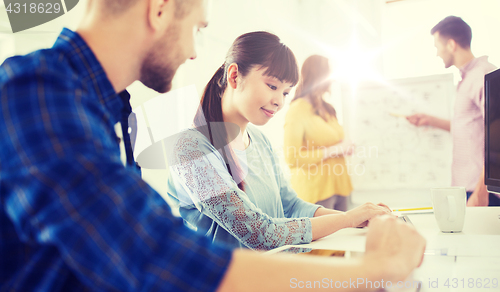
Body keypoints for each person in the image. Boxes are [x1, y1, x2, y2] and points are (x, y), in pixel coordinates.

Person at [0, 0, 425, 291]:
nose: (191, 52)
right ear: (161, 8)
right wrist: (370, 271)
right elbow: (152, 254)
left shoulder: (107, 107)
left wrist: (356, 225)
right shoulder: (36, 93)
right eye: (198, 29)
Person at [166, 32, 393, 250]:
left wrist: (359, 218)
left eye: (285, 93)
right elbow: (259, 234)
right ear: (234, 76)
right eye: (272, 86)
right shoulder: (191, 147)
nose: (278, 102)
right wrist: (348, 219)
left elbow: (292, 206)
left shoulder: (259, 140)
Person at [406, 16, 500, 206]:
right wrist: (430, 120)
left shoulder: (483, 74)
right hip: (468, 187)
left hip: (481, 191)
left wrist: (482, 191)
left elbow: (497, 136)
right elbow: (471, 128)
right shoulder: (468, 78)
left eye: (437, 46)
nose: (437, 53)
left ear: (450, 44)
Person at [284, 55, 353, 211]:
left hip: (340, 187)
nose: (333, 81)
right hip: (317, 193)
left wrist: (344, 147)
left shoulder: (327, 108)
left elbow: (336, 142)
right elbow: (292, 158)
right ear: (319, 76)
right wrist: (335, 149)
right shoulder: (297, 110)